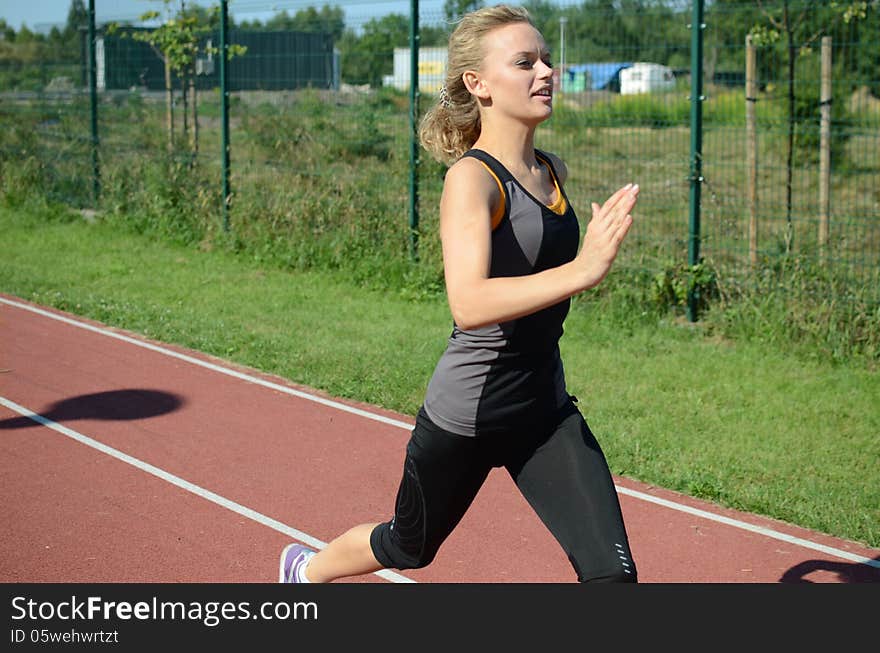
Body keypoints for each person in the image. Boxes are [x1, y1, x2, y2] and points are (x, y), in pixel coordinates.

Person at [279, 3, 639, 584]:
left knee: (613, 578)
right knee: (408, 546)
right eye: (525, 62)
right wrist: (584, 268)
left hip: (543, 411)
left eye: (547, 59)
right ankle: (306, 570)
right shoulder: (470, 180)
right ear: (478, 83)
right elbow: (468, 304)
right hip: (468, 414)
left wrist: (584, 264)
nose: (545, 72)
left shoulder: (553, 170)